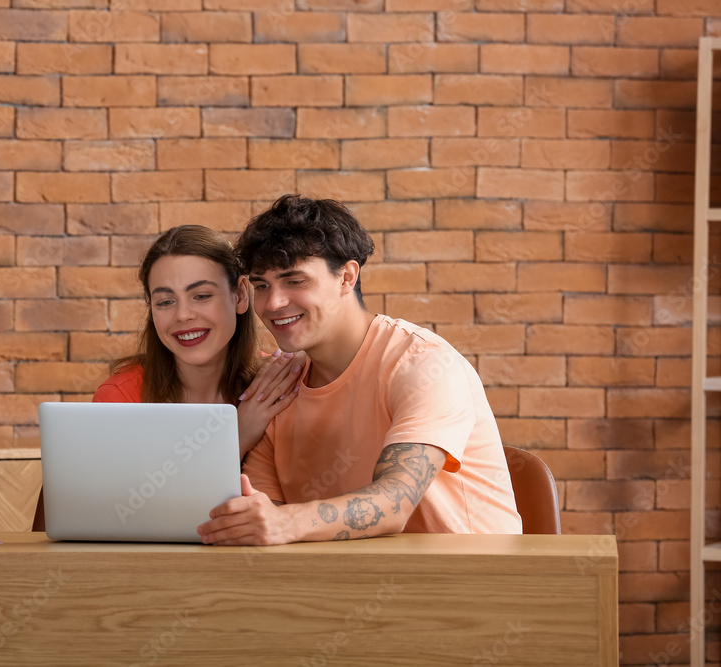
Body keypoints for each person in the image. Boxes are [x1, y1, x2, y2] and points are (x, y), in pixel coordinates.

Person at [197, 195, 523, 546]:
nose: (273, 303)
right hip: (347, 586)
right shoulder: (277, 385)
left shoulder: (424, 364)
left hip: (473, 585)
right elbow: (266, 522)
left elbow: (394, 501)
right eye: (262, 285)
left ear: (346, 277)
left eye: (295, 281)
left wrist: (285, 522)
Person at [93, 224, 304, 458]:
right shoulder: (120, 398)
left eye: (202, 296)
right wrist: (237, 439)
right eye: (165, 302)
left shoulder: (274, 386)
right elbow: (122, 494)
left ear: (241, 295)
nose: (183, 315)